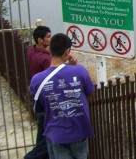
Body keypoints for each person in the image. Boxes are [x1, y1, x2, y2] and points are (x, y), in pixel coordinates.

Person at [30, 33, 94, 159]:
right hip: (79, 130)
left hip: (56, 133)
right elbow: (90, 92)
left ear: (50, 50)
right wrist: (73, 67)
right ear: (67, 52)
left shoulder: (37, 80)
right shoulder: (79, 70)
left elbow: (38, 108)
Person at [25, 25, 52, 159]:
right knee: (47, 136)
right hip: (46, 100)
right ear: (40, 40)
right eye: (48, 37)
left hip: (36, 97)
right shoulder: (46, 59)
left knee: (42, 131)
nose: (50, 39)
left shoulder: (31, 51)